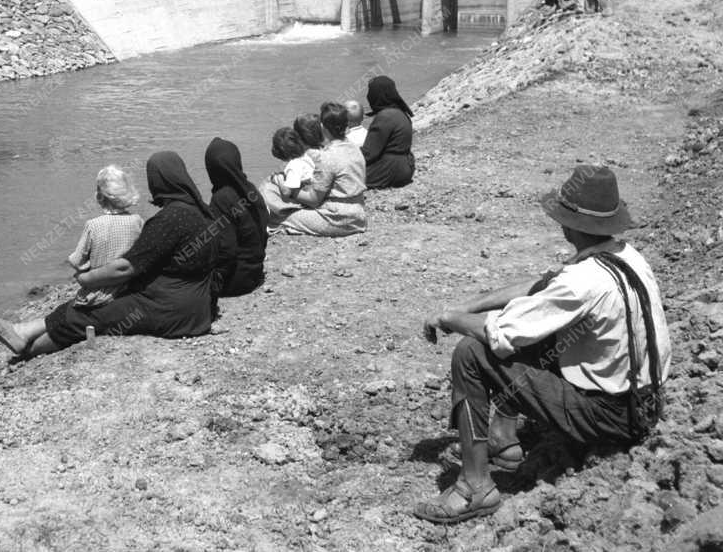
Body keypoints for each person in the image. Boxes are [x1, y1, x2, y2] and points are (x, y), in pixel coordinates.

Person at [414, 165, 670, 525]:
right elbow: (543, 287)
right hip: (646, 404)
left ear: (571, 225)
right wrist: (471, 305)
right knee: (543, 331)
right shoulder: (624, 256)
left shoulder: (583, 282)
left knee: (471, 353)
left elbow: (500, 333)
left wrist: (450, 318)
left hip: (613, 417)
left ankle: (474, 487)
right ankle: (503, 440)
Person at [0, 152, 217, 358]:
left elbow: (125, 268)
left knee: (86, 315)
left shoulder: (170, 219)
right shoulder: (201, 213)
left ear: (159, 181)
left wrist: (87, 278)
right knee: (80, 308)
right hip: (195, 309)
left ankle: (28, 351)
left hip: (171, 311)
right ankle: (23, 332)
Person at [277, 102, 367, 236]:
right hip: (359, 214)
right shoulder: (354, 148)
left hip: (338, 218)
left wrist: (291, 191)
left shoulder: (327, 157)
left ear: (323, 127)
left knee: (281, 217)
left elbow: (313, 200)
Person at [65, 166, 144, 308]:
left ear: (99, 197)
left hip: (98, 294)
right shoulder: (137, 221)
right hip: (130, 290)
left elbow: (77, 261)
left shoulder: (93, 225)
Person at [204, 138, 269, 299]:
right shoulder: (250, 189)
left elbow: (226, 249)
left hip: (235, 281)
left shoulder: (221, 198)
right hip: (255, 273)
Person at [361, 76, 415, 190]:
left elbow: (369, 154)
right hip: (405, 168)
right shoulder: (400, 113)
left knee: (345, 178)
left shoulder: (385, 117)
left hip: (389, 170)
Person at [260, 126, 315, 230]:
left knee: (266, 188)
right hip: (309, 192)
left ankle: (279, 213)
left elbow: (287, 192)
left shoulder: (294, 166)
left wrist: (278, 177)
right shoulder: (305, 157)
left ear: (281, 149)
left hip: (304, 201)